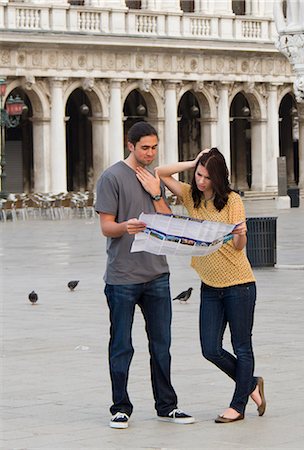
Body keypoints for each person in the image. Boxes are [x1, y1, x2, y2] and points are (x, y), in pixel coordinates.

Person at [139, 147, 266, 423]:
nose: (201, 181)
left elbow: (239, 247)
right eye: (198, 174)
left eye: (207, 177)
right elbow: (160, 173)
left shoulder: (232, 201)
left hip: (239, 284)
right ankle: (251, 383)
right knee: (210, 349)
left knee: (242, 346)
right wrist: (194, 161)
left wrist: (241, 234)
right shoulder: (190, 197)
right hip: (209, 286)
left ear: (218, 178)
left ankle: (238, 405)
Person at [95, 121, 195, 429]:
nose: (150, 153)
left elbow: (169, 224)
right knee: (122, 344)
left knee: (161, 344)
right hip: (122, 276)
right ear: (130, 145)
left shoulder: (155, 178)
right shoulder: (111, 177)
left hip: (157, 275)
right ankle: (120, 407)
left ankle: (167, 406)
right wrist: (126, 226)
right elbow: (106, 227)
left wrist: (156, 193)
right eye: (144, 148)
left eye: (154, 147)